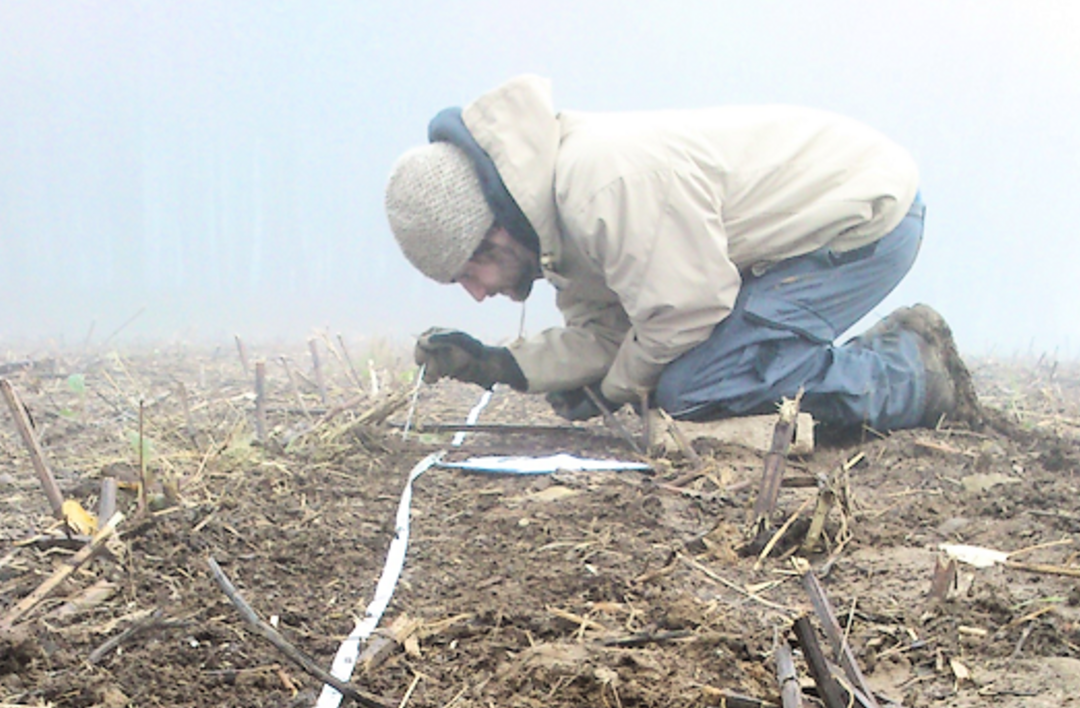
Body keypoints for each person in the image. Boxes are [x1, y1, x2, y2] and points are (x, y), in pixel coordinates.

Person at [384, 75, 979, 438]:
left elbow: (686, 312)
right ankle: (874, 365)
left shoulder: (598, 187)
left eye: (469, 272)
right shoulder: (554, 217)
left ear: (494, 234)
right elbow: (612, 330)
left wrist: (613, 391)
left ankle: (910, 376)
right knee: (688, 376)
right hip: (810, 233)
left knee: (696, 387)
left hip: (865, 220)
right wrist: (500, 366)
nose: (478, 292)